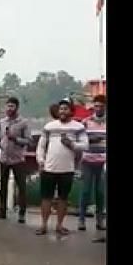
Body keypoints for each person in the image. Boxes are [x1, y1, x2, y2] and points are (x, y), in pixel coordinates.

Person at [36, 98, 88, 236]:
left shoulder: (78, 127)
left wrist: (71, 144)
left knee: (63, 198)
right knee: (46, 197)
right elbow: (41, 146)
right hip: (49, 168)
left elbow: (85, 145)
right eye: (61, 109)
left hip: (67, 169)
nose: (63, 111)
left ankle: (59, 225)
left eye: (65, 109)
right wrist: (41, 160)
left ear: (71, 111)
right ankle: (43, 225)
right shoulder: (49, 126)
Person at [0, 97, 31, 224]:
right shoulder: (1, 122)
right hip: (4, 159)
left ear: (17, 108)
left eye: (12, 106)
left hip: (18, 159)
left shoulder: (23, 122)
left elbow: (28, 140)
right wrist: (0, 144)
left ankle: (22, 213)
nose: (9, 109)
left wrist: (15, 139)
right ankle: (2, 211)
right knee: (2, 186)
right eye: (8, 106)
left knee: (21, 187)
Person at [78, 94, 107, 231]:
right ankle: (81, 220)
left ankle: (100, 219)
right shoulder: (85, 122)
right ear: (93, 107)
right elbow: (79, 139)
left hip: (102, 161)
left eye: (101, 106)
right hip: (87, 161)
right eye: (96, 106)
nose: (98, 108)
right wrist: (90, 140)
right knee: (85, 191)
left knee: (100, 192)